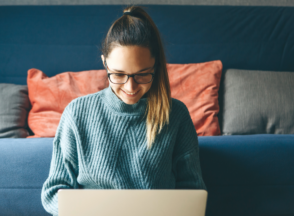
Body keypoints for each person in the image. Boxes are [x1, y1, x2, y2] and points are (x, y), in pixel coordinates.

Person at [41, 5, 206, 216]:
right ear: (105, 64)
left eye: (142, 74)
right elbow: (54, 192)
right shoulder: (77, 114)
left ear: (155, 67)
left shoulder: (176, 115)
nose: (130, 87)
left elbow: (192, 191)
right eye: (118, 75)